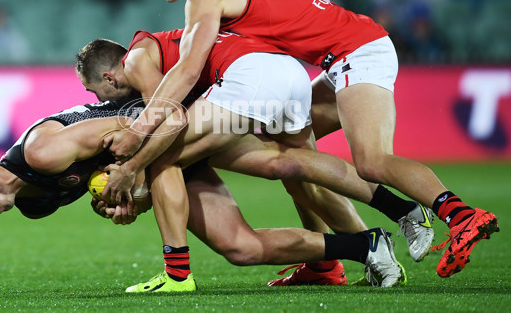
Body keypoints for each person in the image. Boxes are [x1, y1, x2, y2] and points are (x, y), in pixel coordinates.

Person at [108, 0, 498, 280]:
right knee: (293, 162)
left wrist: (141, 131)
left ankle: (454, 214)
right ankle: (325, 264)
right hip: (336, 59)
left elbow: (188, 71)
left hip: (357, 53)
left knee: (372, 161)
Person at [0, 99, 406, 293]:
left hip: (173, 126)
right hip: (161, 161)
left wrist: (132, 174)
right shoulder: (35, 203)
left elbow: (130, 125)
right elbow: (110, 185)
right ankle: (367, 246)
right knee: (240, 248)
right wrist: (124, 203)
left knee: (284, 158)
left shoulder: (43, 152)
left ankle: (356, 108)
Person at [76, 34, 431, 290]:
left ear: (108, 76)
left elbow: (172, 120)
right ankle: (385, 226)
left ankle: (176, 274)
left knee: (159, 158)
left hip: (248, 77)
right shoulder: (157, 56)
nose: (97, 98)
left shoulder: (136, 61)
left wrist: (130, 172)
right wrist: (135, 191)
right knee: (291, 165)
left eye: (94, 91)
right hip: (284, 72)